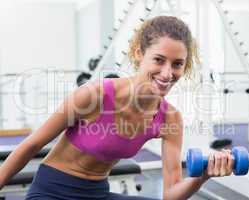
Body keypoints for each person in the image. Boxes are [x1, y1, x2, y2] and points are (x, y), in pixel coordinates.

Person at [0, 16, 234, 200]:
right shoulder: (95, 95)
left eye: (177, 64)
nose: (167, 73)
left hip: (96, 194)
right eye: (159, 60)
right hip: (53, 191)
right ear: (139, 54)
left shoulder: (170, 118)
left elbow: (170, 194)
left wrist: (202, 177)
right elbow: (31, 145)